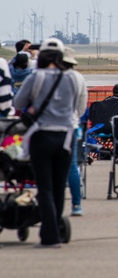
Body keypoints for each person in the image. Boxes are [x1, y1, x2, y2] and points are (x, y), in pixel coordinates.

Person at [12, 38, 84, 248]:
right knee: (59, 186)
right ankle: (55, 229)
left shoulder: (37, 77)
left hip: (42, 135)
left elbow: (19, 103)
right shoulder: (75, 78)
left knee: (45, 188)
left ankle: (49, 235)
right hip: (66, 137)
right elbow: (78, 109)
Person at [61, 48, 87, 218]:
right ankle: (76, 204)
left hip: (45, 128)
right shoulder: (78, 78)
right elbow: (81, 107)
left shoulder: (41, 75)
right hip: (70, 126)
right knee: (72, 168)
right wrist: (74, 118)